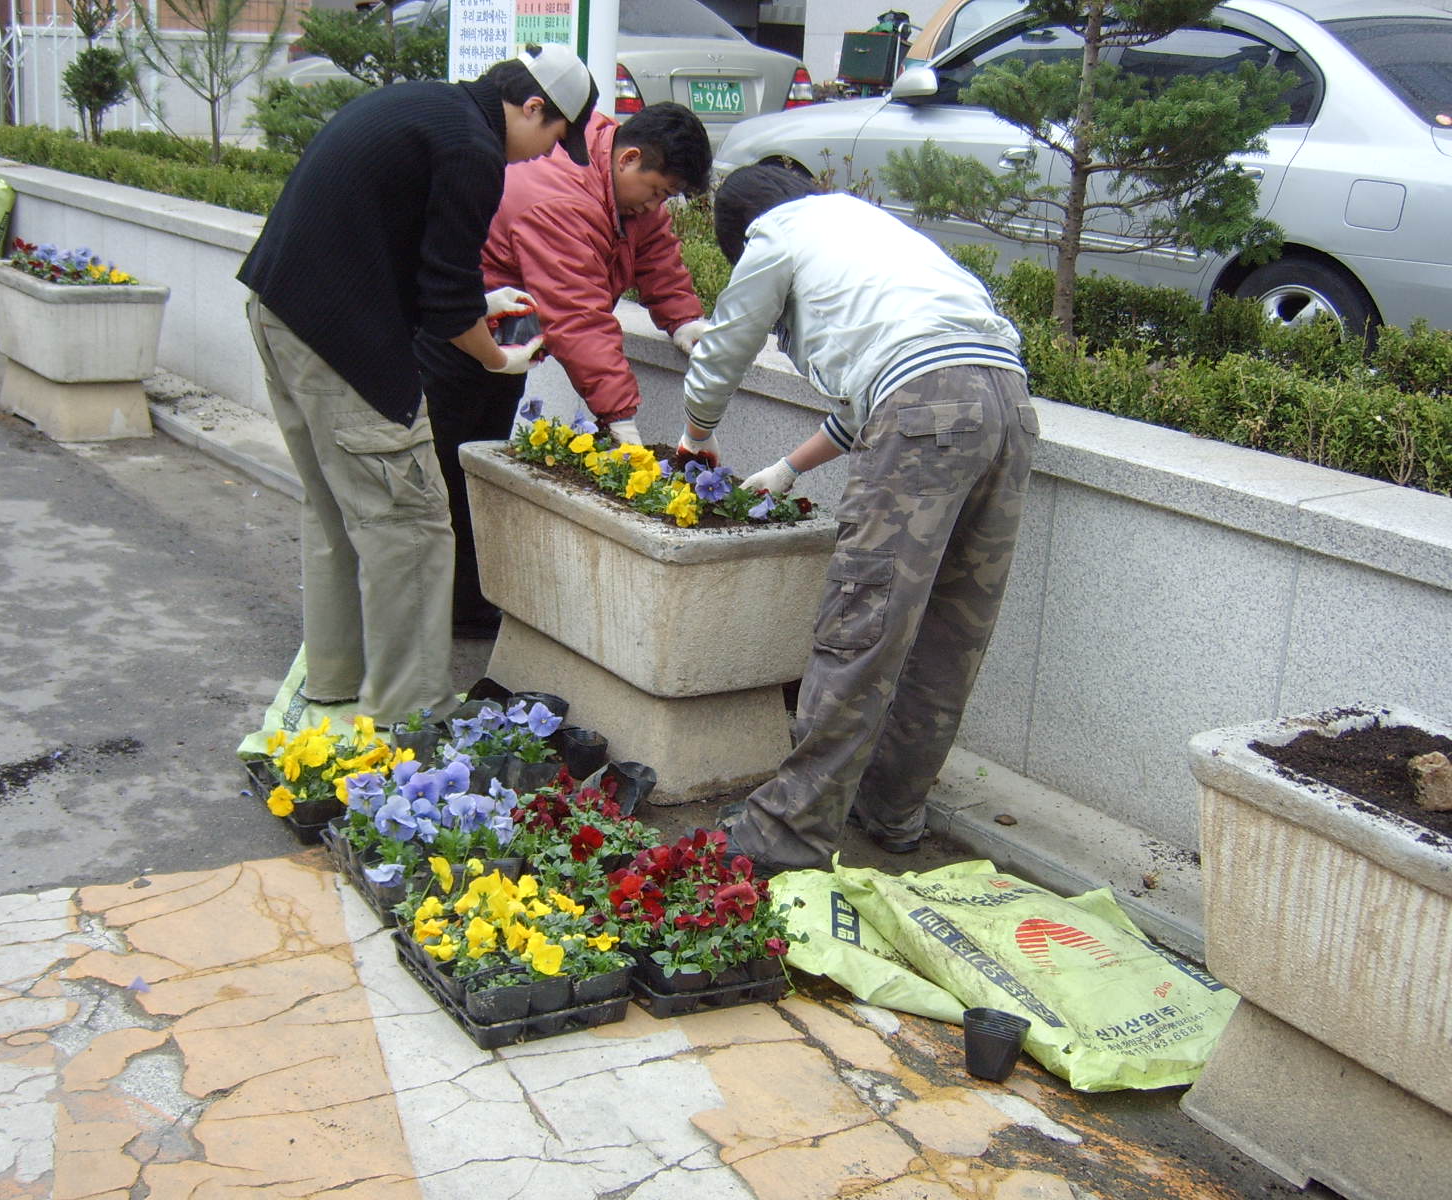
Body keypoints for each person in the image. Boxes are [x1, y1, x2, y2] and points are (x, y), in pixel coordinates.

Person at [680, 164, 1039, 873]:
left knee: (861, 626)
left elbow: (726, 341)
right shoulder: (869, 231)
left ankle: (789, 831)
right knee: (951, 629)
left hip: (926, 407)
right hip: (1010, 410)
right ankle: (892, 810)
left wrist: (694, 431)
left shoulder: (777, 232)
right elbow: (878, 388)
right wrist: (790, 466)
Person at [238, 44, 599, 724]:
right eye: (555, 134)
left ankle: (337, 686)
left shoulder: (426, 106)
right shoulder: (473, 148)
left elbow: (405, 250)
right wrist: (498, 359)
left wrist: (475, 306)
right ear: (531, 107)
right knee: (413, 524)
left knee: (338, 513)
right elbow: (446, 301)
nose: (548, 152)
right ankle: (412, 716)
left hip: (280, 310)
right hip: (342, 340)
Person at [416, 102, 714, 638]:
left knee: (476, 468)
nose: (657, 205)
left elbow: (656, 257)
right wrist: (621, 421)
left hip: (507, 342)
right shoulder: (560, 198)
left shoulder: (627, 191)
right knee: (446, 476)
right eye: (658, 191)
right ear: (628, 158)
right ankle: (438, 610)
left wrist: (684, 321)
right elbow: (576, 316)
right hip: (457, 335)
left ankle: (465, 603)